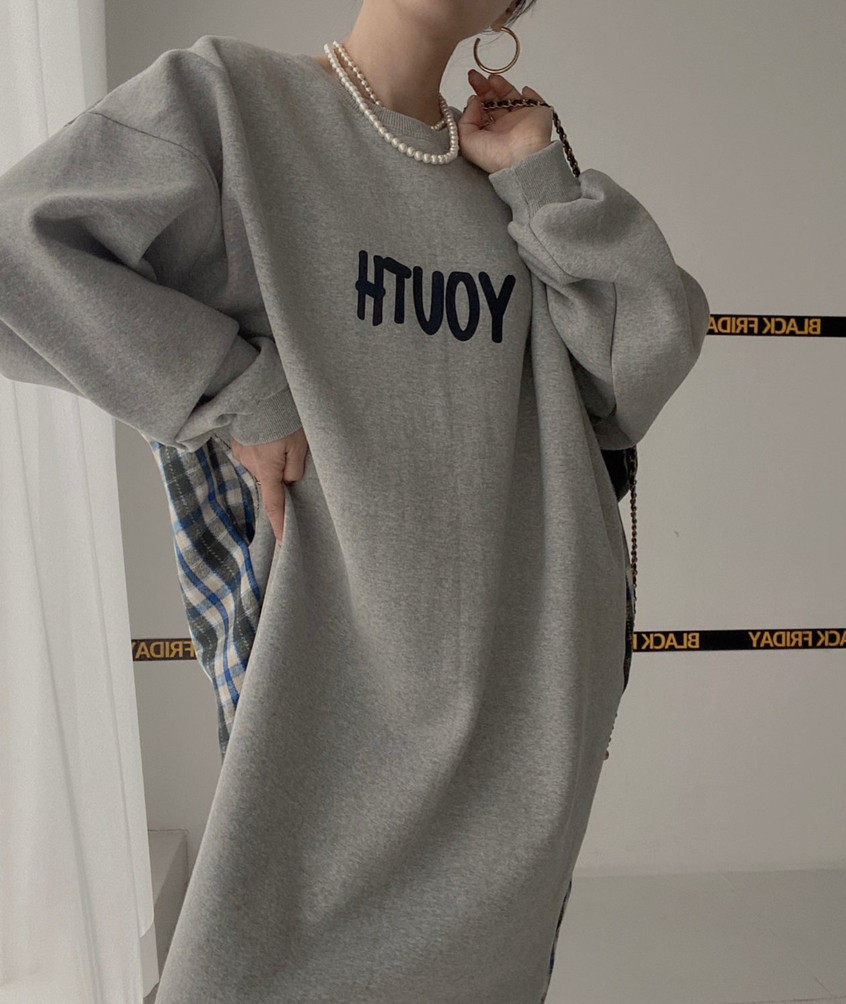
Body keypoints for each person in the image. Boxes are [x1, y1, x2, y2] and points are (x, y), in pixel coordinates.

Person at [0, 0, 710, 999]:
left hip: (523, 700)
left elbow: (640, 363)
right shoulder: (231, 103)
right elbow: (18, 254)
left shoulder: (514, 180)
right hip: (328, 680)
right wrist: (237, 393)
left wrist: (537, 174)